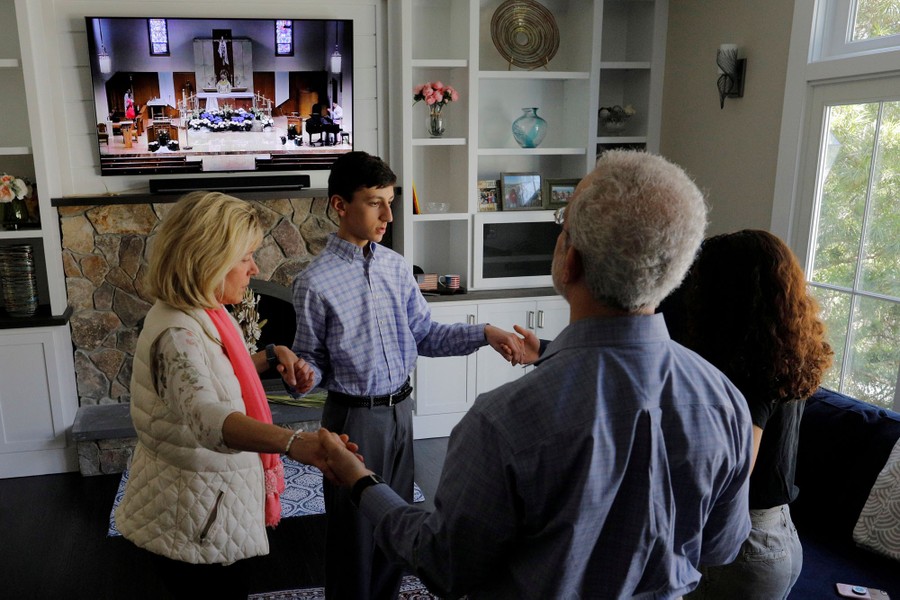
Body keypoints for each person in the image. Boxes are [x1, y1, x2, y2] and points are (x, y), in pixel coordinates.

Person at [318, 149, 755, 599]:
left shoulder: (502, 422)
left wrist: (362, 483)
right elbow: (720, 547)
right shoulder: (725, 402)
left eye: (562, 223)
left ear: (570, 261)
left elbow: (442, 563)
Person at [290, 151, 525, 600]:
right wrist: (304, 375)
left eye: (391, 202)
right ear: (340, 205)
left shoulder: (397, 268)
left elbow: (427, 335)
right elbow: (312, 363)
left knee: (394, 525)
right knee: (353, 537)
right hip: (352, 422)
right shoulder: (313, 283)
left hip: (402, 413)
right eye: (374, 203)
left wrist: (485, 333)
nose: (389, 215)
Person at [114, 191, 358, 599]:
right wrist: (296, 442)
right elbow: (207, 416)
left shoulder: (199, 312)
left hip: (203, 503)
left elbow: (218, 375)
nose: (255, 269)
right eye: (245, 257)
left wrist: (271, 355)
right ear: (208, 259)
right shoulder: (177, 334)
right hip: (194, 517)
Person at [662, 230, 834, 600]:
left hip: (745, 545)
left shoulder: (749, 372)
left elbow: (736, 470)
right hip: (780, 532)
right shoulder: (787, 351)